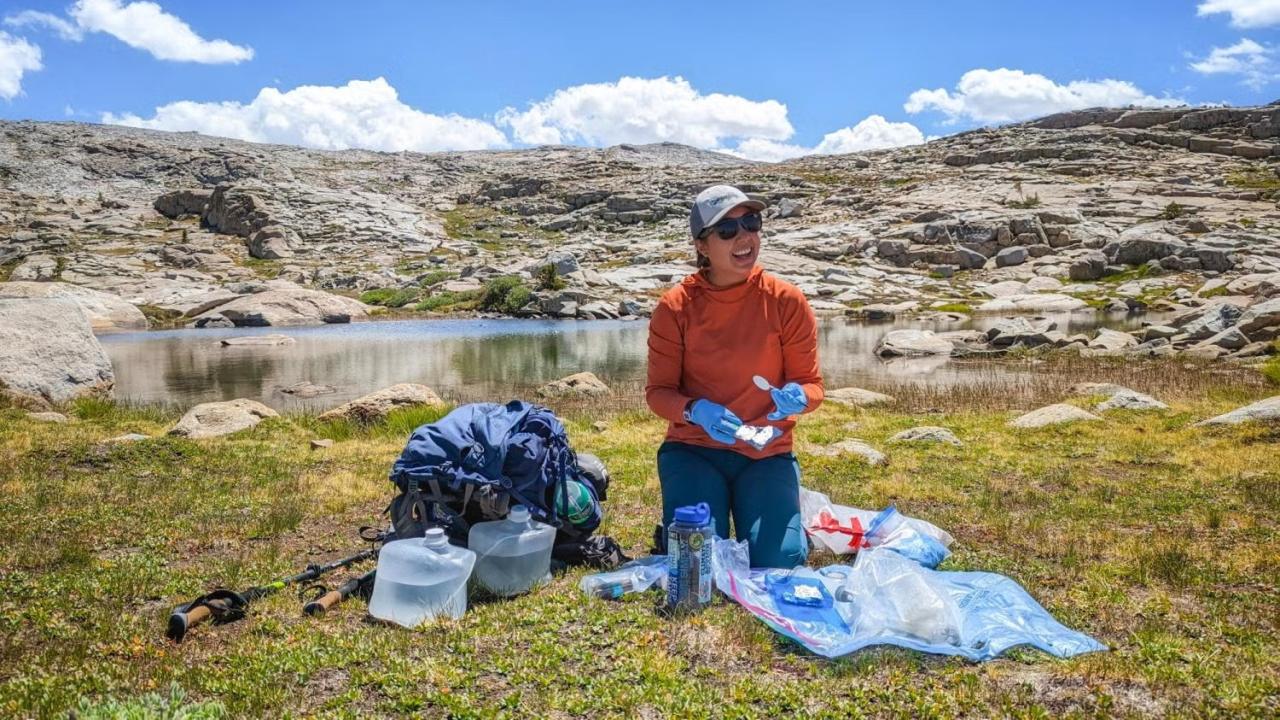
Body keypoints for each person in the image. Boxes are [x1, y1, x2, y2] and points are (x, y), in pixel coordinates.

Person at [645, 184, 824, 569]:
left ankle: (787, 523)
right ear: (702, 246)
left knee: (778, 562)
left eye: (751, 222)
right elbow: (658, 394)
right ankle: (679, 524)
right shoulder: (675, 306)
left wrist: (799, 396)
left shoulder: (785, 300)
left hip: (766, 454)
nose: (744, 236)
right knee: (699, 560)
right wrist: (695, 410)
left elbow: (813, 386)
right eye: (727, 230)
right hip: (693, 450)